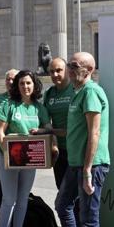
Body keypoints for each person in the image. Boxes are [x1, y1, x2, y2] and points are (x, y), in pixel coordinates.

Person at [0, 70, 57, 227]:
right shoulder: (8, 104)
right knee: (9, 199)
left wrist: (44, 134)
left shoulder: (40, 108)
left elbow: (48, 128)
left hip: (29, 159)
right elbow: (0, 131)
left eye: (28, 83)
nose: (25, 86)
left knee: (22, 199)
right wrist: (8, 152)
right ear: (17, 86)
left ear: (35, 85)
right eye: (22, 83)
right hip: (9, 157)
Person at [54, 52, 110, 227]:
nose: (70, 69)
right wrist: (49, 131)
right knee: (62, 205)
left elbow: (94, 132)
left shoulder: (91, 92)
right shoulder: (77, 93)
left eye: (75, 65)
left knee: (88, 219)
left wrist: (87, 170)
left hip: (91, 166)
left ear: (89, 70)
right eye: (69, 64)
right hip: (75, 162)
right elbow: (75, 130)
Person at [0, 68, 18, 220]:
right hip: (1, 146)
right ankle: (0, 208)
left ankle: (13, 211)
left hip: (17, 146)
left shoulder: (22, 98)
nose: (10, 82)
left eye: (13, 79)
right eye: (8, 79)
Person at [43, 58, 74, 188]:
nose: (55, 75)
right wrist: (53, 143)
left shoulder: (76, 89)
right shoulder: (49, 93)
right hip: (59, 151)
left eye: (59, 70)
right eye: (52, 71)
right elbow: (46, 121)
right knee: (61, 189)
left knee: (76, 194)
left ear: (67, 70)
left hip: (76, 150)